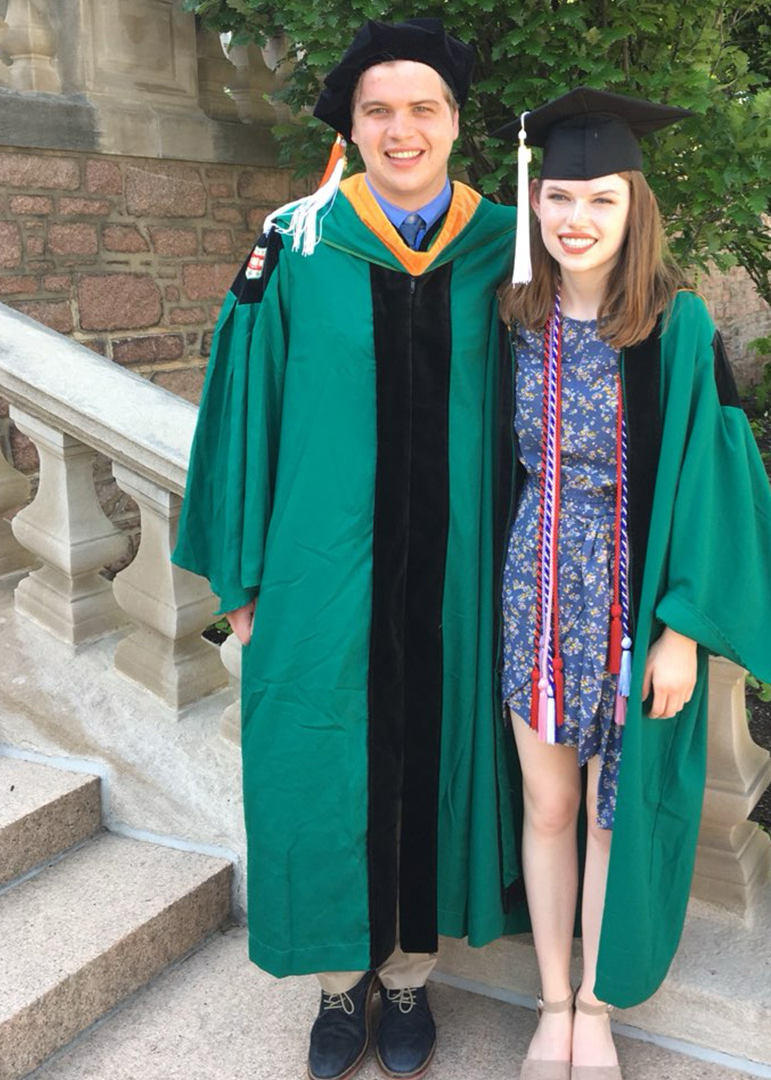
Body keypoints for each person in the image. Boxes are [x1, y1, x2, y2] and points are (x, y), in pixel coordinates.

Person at [172, 20, 525, 1080]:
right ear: (351, 124)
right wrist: (243, 582)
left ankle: (412, 973)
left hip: (460, 582)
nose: (402, 128)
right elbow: (243, 416)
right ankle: (337, 988)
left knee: (443, 757)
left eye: (424, 107)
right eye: (379, 109)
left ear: (458, 122)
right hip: (327, 573)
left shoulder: (510, 248)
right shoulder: (297, 242)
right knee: (318, 763)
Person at [493, 89, 771, 1080]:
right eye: (558, 198)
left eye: (600, 200)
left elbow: (719, 484)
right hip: (534, 588)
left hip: (633, 604)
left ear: (635, 211)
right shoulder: (509, 317)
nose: (575, 218)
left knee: (610, 812)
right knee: (546, 807)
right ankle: (550, 1000)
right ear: (534, 205)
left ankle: (598, 1006)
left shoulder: (677, 327)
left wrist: (683, 628)